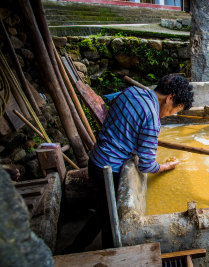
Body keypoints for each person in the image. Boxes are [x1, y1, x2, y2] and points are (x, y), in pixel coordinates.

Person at [65, 74, 194, 253]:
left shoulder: (132, 92)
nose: (170, 115)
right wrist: (165, 166)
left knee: (103, 213)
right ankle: (100, 255)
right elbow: (146, 165)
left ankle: (78, 248)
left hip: (95, 160)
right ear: (170, 98)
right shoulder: (152, 119)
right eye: (174, 110)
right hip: (109, 171)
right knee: (111, 222)